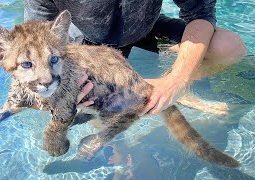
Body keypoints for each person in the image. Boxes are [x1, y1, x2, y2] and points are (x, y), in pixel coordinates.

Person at [24, 0, 246, 115]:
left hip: (146, 30)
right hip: (84, 44)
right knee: (45, 102)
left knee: (228, 47)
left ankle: (178, 89)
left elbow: (200, 14)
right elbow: (35, 39)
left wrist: (178, 80)